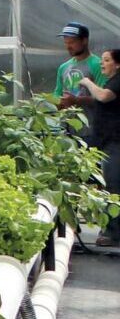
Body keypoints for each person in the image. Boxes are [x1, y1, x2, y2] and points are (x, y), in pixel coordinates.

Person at [73, 48, 120, 246]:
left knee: (113, 185)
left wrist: (86, 82)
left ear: (117, 64)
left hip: (115, 141)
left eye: (107, 60)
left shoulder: (117, 81)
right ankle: (111, 229)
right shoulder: (112, 80)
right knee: (109, 184)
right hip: (107, 141)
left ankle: (113, 232)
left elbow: (103, 96)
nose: (103, 63)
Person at [58, 23, 101, 109]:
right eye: (66, 42)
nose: (68, 46)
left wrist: (76, 100)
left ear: (85, 41)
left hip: (91, 121)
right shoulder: (63, 67)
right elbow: (57, 94)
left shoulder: (98, 65)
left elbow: (105, 98)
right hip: (66, 120)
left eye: (72, 42)